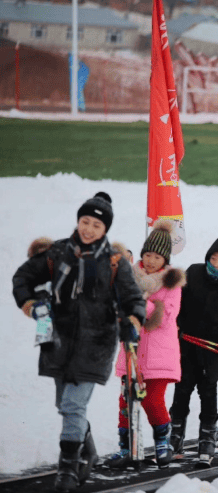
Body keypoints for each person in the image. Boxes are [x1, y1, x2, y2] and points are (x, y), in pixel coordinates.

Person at [12, 192, 146, 493]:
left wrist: (132, 321)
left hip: (96, 345)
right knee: (65, 404)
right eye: (85, 221)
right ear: (78, 221)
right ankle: (88, 450)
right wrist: (31, 305)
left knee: (73, 405)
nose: (88, 229)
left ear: (105, 230)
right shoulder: (57, 253)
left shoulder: (114, 262)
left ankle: (68, 469)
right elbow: (22, 278)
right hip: (56, 341)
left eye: (96, 225)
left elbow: (134, 299)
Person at [106, 221, 185, 469]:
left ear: (165, 259)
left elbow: (166, 316)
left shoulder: (171, 283)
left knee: (152, 400)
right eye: (148, 255)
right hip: (132, 351)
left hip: (159, 356)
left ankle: (163, 443)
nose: (151, 261)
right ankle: (125, 447)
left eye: (157, 256)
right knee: (126, 402)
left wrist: (140, 304)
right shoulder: (130, 277)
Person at [169, 235, 218, 464]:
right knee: (181, 390)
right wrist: (176, 327)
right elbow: (176, 301)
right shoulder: (193, 272)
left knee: (208, 392)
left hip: (214, 349)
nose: (216, 264)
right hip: (187, 344)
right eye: (213, 258)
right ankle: (175, 434)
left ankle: (207, 437)